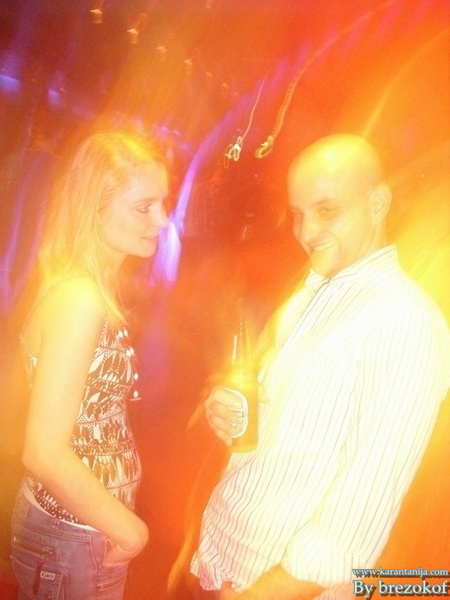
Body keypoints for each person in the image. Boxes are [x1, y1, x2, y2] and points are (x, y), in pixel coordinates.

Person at [189, 134, 449, 599]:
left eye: (327, 211)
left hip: (273, 584)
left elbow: (358, 511)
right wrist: (228, 407)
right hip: (224, 558)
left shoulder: (405, 320)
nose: (306, 232)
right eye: (297, 214)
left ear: (378, 204)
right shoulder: (312, 291)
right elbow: (282, 410)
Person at [9, 131, 168, 600]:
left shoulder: (88, 285)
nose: (162, 219)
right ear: (93, 209)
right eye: (144, 207)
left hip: (74, 531)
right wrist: (130, 530)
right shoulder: (80, 297)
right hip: (73, 536)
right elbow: (43, 451)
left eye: (163, 203)